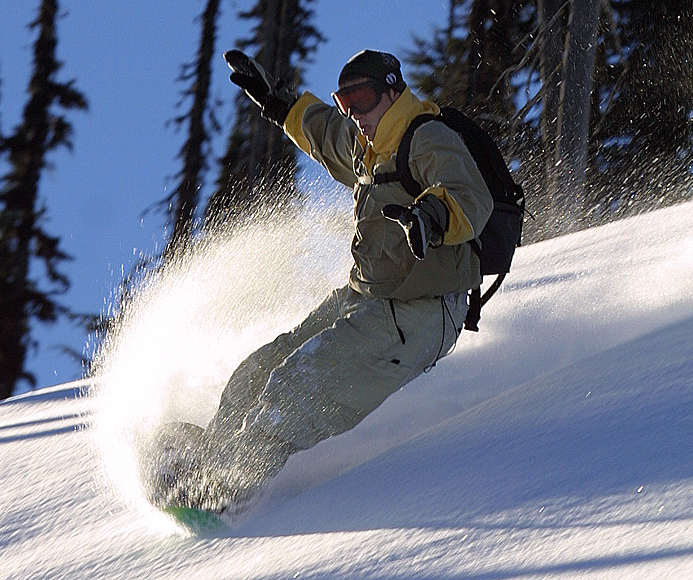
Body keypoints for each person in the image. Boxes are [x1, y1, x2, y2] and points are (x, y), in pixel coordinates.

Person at [146, 49, 494, 513]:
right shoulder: (368, 147)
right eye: (346, 100)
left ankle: (224, 491)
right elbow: (326, 133)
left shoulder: (427, 137)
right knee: (259, 371)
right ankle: (208, 460)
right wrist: (276, 103)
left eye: (364, 98)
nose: (356, 112)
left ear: (394, 90)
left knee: (295, 387)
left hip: (422, 311)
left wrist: (430, 216)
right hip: (366, 296)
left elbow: (470, 196)